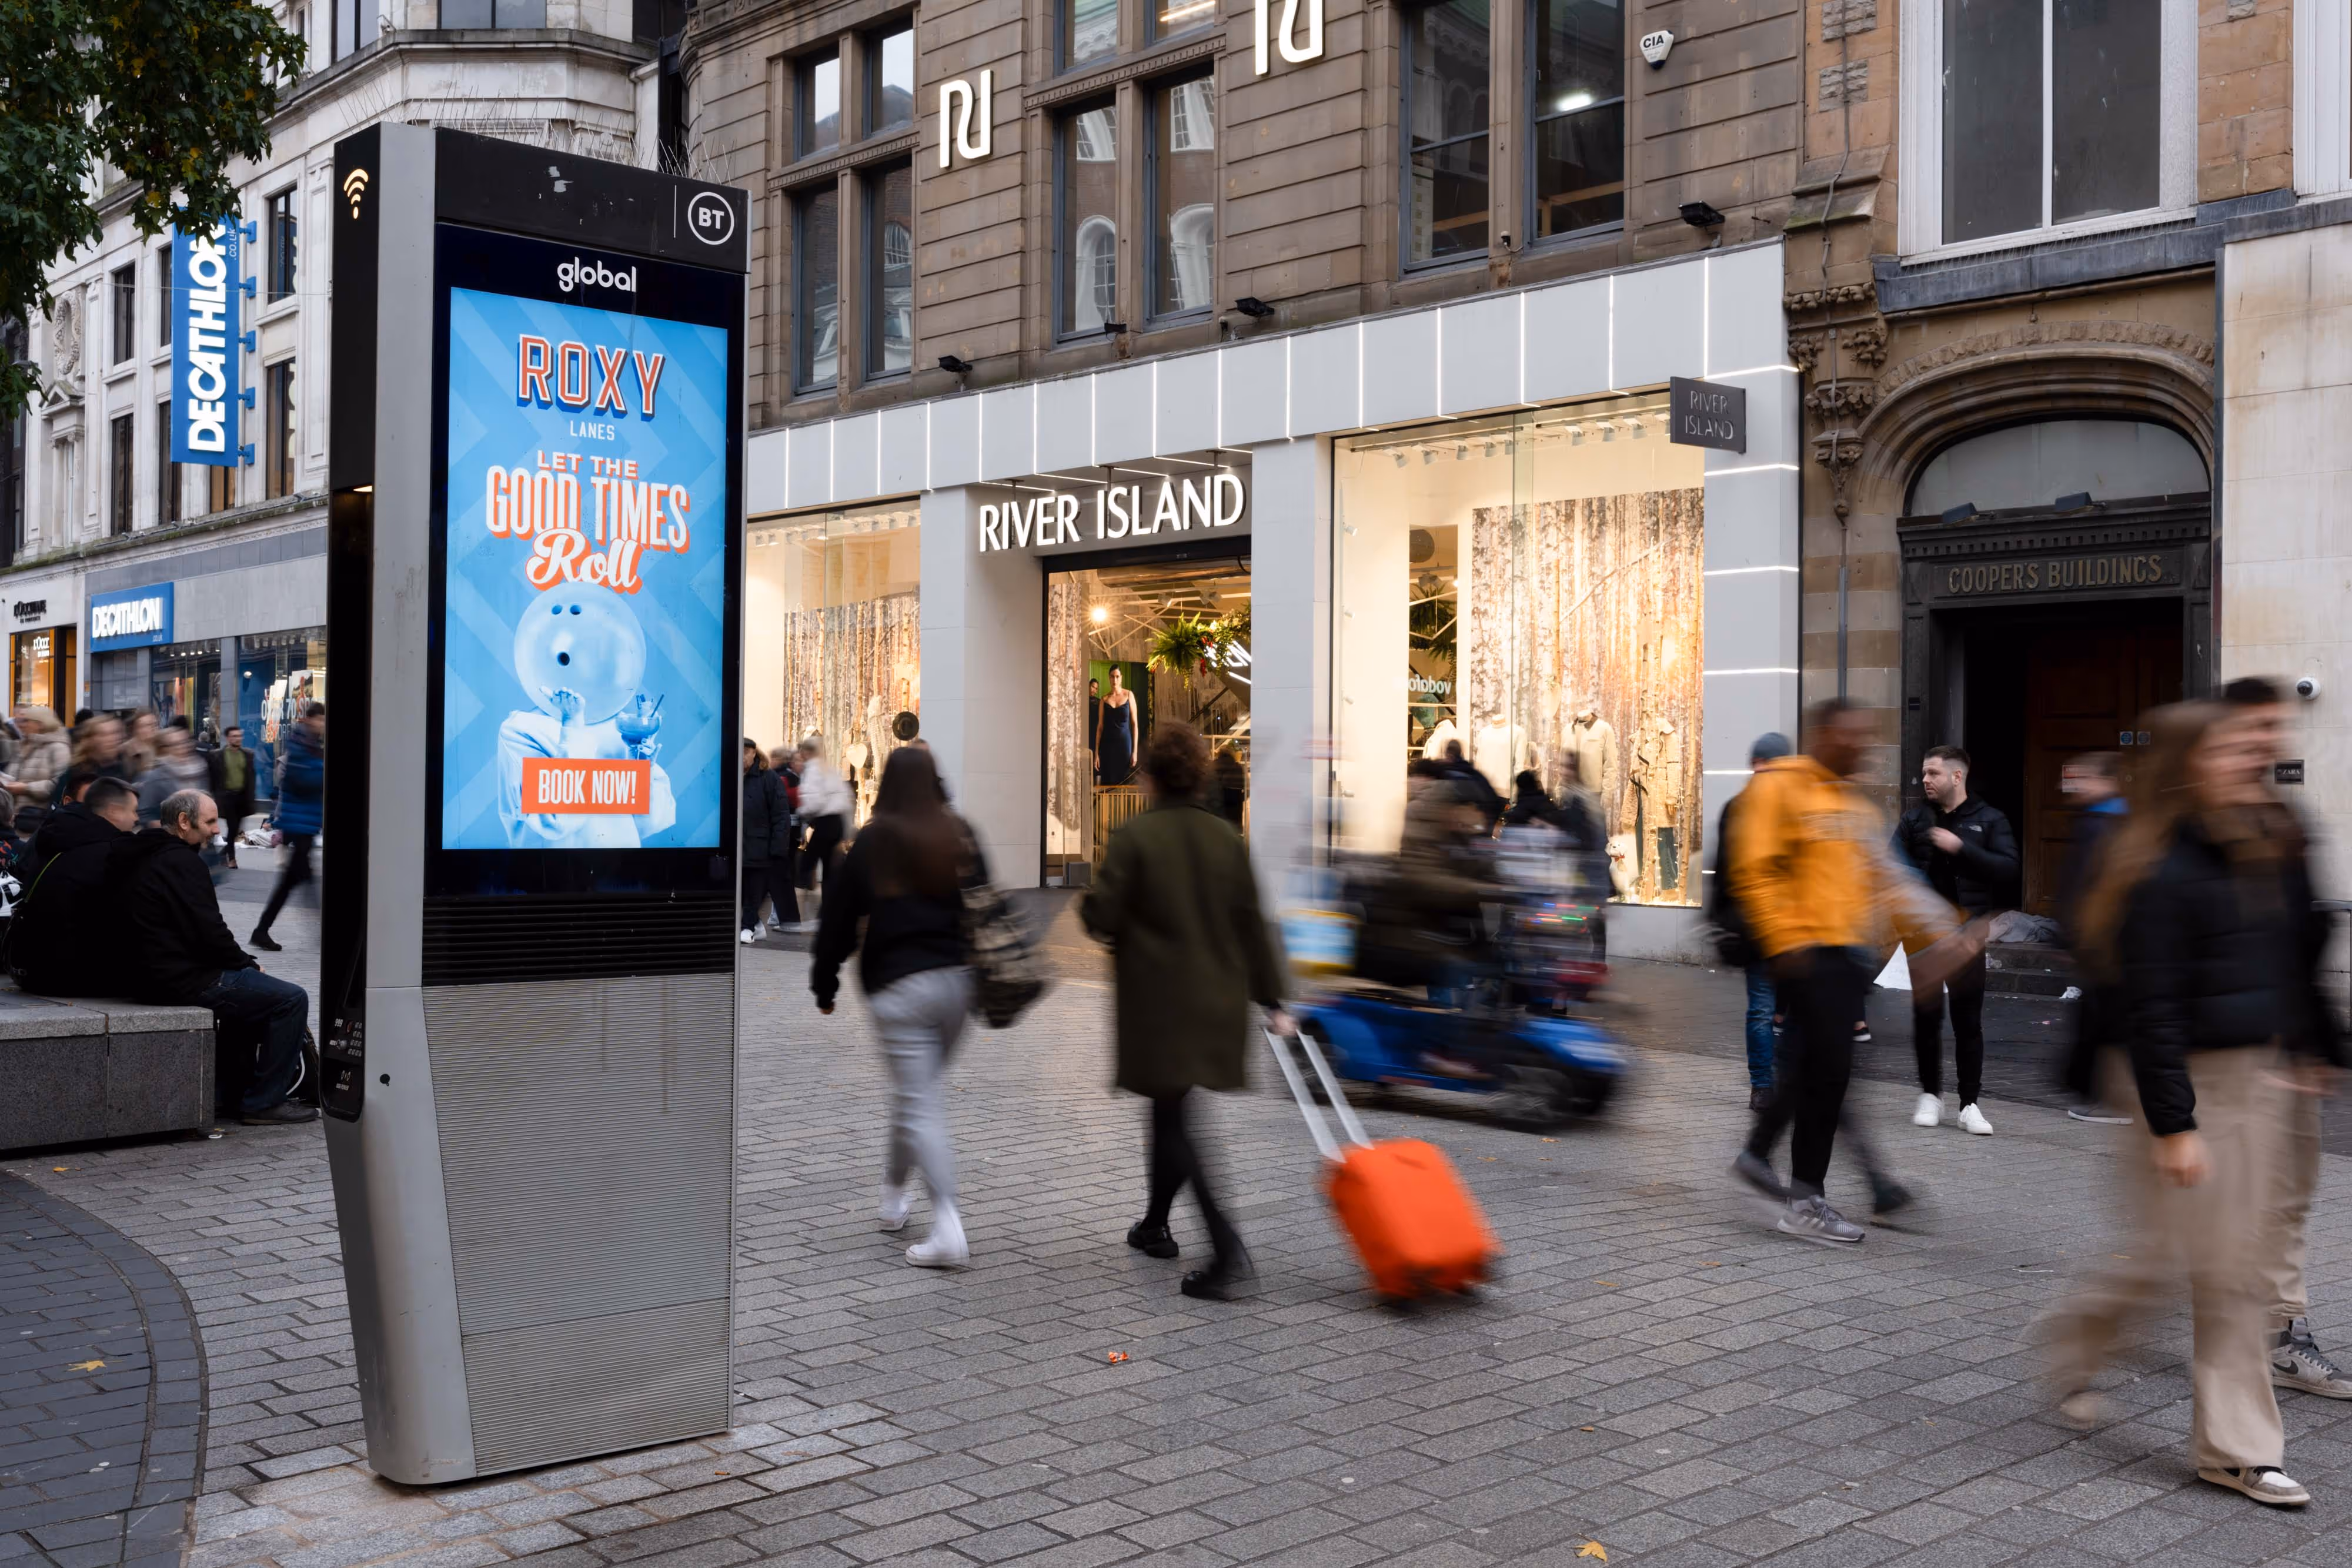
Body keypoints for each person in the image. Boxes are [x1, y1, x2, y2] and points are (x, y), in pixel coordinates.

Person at [2050, 700, 2341, 1507]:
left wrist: (2312, 1046)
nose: (2253, 756)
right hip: (2174, 1081)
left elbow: (2289, 960)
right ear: (2188, 765)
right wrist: (2176, 1124)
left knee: (2230, 1269)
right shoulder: (2156, 868)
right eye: (2230, 747)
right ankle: (2076, 1338)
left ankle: (2238, 1449)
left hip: (2253, 1078)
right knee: (2167, 1261)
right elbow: (2155, 1009)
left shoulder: (2259, 845)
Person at [1729, 699, 1979, 1245]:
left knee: (1824, 1075)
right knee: (1825, 1073)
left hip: (1844, 959)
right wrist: (1785, 942)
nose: (1863, 747)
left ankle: (1774, 1169)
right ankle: (1799, 1193)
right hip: (1805, 953)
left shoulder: (1855, 806)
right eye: (1852, 736)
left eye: (1867, 737)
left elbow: (1891, 879)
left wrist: (1945, 930)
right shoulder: (1781, 788)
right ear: (1823, 734)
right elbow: (1755, 872)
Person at [1083, 722, 1290, 1301]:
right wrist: (1273, 999)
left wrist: (1098, 907)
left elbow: (1102, 916)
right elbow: (1252, 923)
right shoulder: (1225, 838)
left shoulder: (1135, 837)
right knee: (1169, 1110)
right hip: (1217, 999)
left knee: (1177, 1123)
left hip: (1158, 1003)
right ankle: (1154, 1225)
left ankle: (1226, 1251)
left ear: (1151, 777)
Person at [2217, 676, 2352, 1400]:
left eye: (2277, 729)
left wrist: (2318, 1045)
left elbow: (2303, 936)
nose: (2273, 742)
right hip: (2218, 1058)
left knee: (2290, 1196)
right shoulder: (2189, 826)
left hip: (2284, 1048)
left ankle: (2281, 1333)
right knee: (2195, 1227)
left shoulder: (2283, 820)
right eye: (2258, 729)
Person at [811, 747, 984, 1269]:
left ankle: (949, 1227)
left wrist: (826, 984)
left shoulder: (874, 838)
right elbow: (984, 903)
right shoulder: (957, 832)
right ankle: (891, 1199)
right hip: (958, 985)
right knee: (917, 1094)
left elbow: (838, 918)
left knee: (920, 1098)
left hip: (898, 987)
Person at [112, 789, 316, 1125]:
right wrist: (247, 963)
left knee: (250, 997)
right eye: (209, 822)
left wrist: (241, 965)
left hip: (147, 972)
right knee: (291, 999)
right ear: (183, 822)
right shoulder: (181, 862)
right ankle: (265, 1102)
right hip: (177, 978)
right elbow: (210, 930)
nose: (216, 830)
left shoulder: (140, 853)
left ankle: (229, 1094)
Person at [1892, 744, 2019, 1135]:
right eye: (1924, 773)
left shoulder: (1990, 819)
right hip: (1924, 937)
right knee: (1926, 1018)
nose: (1925, 780)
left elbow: (2009, 869)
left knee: (1968, 1022)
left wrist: (1962, 848)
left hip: (1966, 937)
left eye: (1933, 773)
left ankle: (1969, 1104)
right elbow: (1892, 869)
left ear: (1957, 776)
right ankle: (1931, 1094)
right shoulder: (1914, 820)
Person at [1711, 733, 1793, 1113]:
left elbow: (1724, 870)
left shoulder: (1742, 806)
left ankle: (1766, 1085)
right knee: (1768, 1009)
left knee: (1766, 1010)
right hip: (1771, 928)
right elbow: (1727, 869)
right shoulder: (1779, 806)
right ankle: (1765, 1084)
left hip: (1778, 927)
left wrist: (1719, 920)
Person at [2054, 751, 2131, 1126]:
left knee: (2109, 1022)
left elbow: (2086, 887)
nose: (2075, 785)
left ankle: (2115, 1101)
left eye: (2084, 778)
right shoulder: (2119, 820)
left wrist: (2075, 939)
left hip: (2107, 944)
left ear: (2106, 781)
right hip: (2113, 943)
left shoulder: (2102, 824)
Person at [8, 778, 137, 995]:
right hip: (76, 976)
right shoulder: (112, 852)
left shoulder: (50, 836)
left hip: (32, 970)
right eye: (133, 811)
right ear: (114, 811)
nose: (136, 818)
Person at [251, 703, 324, 952]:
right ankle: (261, 931)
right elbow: (301, 781)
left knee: (298, 879)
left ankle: (262, 931)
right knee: (295, 881)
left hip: (305, 823)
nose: (323, 725)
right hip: (298, 822)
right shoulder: (301, 745)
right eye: (321, 720)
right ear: (310, 720)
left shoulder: (311, 745)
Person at [793, 736, 853, 932]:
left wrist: (802, 812)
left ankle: (806, 915)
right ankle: (826, 914)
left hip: (824, 823)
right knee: (829, 871)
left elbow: (813, 801)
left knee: (806, 866)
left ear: (806, 753)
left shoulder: (812, 770)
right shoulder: (830, 769)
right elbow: (847, 798)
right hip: (836, 825)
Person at [740, 738, 792, 944]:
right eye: (740, 751)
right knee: (743, 890)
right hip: (738, 847)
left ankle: (747, 928)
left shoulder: (768, 778)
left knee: (755, 890)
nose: (742, 756)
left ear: (754, 753)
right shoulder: (732, 775)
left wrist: (778, 848)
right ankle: (756, 925)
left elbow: (781, 814)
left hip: (760, 846)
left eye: (746, 752)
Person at [4, 707, 70, 838]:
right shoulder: (23, 745)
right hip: (16, 819)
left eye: (26, 721)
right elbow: (14, 773)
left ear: (40, 724)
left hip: (37, 821)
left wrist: (26, 788)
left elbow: (60, 785)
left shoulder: (58, 748)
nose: (22, 725)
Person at [137, 724, 211, 828]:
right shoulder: (155, 776)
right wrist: (168, 828)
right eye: (176, 744)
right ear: (164, 749)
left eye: (185, 742)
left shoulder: (199, 768)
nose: (183, 747)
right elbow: (145, 814)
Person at [207, 724, 259, 870]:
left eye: (240, 736)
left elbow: (251, 777)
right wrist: (213, 796)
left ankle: (223, 854)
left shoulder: (248, 755)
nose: (238, 739)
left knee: (236, 830)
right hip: (227, 797)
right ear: (228, 738)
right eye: (235, 736)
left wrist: (252, 796)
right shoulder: (217, 756)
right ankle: (232, 860)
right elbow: (212, 778)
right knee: (232, 827)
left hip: (242, 798)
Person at [56, 713, 128, 807]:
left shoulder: (128, 767)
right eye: (104, 735)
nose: (112, 739)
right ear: (90, 740)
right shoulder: (75, 773)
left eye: (115, 733)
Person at [1436, 738, 1503, 832]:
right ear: (1461, 752)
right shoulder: (1474, 774)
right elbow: (1494, 802)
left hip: (1447, 832)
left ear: (1447, 753)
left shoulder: (1440, 774)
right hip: (1473, 830)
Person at [1095, 666, 1139, 786]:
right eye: (1112, 677)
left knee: (1124, 783)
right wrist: (1096, 753)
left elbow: (1135, 725)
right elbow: (1100, 727)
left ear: (1121, 678)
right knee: (1107, 783)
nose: (1115, 680)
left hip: (1125, 746)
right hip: (1107, 748)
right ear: (1109, 678)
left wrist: (1135, 752)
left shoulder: (1129, 695)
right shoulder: (1104, 700)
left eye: (1117, 677)